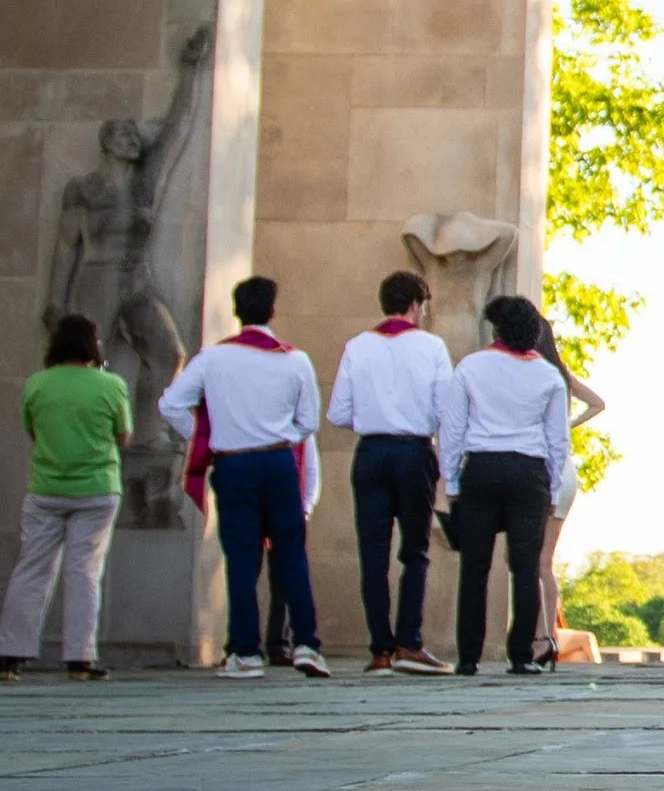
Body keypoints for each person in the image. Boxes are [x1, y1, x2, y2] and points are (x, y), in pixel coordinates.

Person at [158, 278, 327, 679]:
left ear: (237, 311)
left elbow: (170, 404)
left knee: (241, 556)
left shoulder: (212, 359)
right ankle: (306, 643)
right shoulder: (294, 360)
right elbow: (308, 423)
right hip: (278, 463)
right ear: (272, 310)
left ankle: (246, 650)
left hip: (233, 463)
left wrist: (207, 436)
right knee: (291, 554)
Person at [327, 271, 457, 675]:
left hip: (370, 452)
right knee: (415, 552)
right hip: (413, 452)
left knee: (373, 554)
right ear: (417, 304)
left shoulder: (357, 346)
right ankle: (409, 643)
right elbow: (446, 412)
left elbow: (338, 413)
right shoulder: (431, 347)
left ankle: (380, 649)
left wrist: (375, 418)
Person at [0, 315, 132, 682]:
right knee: (84, 572)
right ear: (94, 345)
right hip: (97, 489)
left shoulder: (37, 384)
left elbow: (32, 430)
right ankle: (80, 659)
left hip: (45, 489)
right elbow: (123, 435)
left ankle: (10, 654)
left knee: (32, 570)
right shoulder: (111, 385)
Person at [442, 295, 568, 676]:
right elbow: (557, 440)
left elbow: (452, 428)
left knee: (474, 565)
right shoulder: (548, 375)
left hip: (481, 467)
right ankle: (521, 655)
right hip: (529, 470)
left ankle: (468, 656)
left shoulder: (471, 366)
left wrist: (451, 478)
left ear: (496, 329)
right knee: (525, 566)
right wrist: (553, 486)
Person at [530, 318, 605, 670]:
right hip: (566, 469)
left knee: (531, 560)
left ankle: (538, 637)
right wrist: (570, 425)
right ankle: (547, 636)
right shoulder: (561, 374)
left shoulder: (535, 373)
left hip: (543, 466)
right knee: (546, 562)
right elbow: (597, 404)